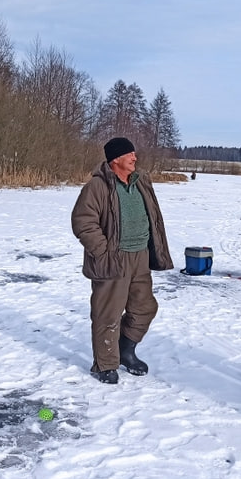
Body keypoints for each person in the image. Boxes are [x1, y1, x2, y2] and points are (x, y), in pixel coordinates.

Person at [71, 137, 174, 383]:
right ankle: (104, 364)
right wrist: (103, 251)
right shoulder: (98, 186)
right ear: (115, 159)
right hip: (112, 259)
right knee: (108, 314)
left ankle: (125, 351)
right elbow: (83, 221)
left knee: (145, 308)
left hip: (140, 256)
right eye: (130, 154)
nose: (134, 158)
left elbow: (154, 217)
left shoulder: (141, 181)